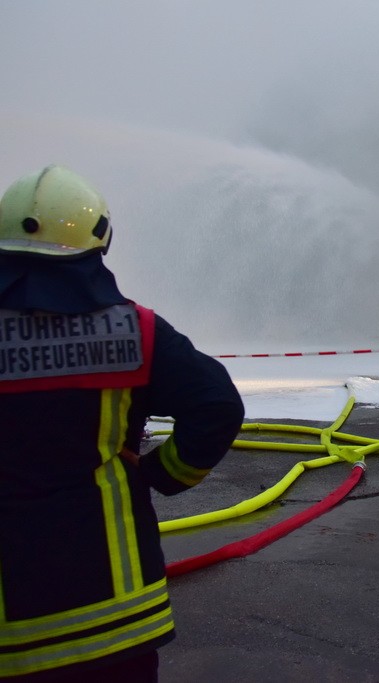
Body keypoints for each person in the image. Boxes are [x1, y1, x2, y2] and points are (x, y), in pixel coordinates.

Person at [0, 165, 245, 680]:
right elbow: (217, 406)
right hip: (116, 611)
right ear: (98, 241)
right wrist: (160, 474)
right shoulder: (138, 332)